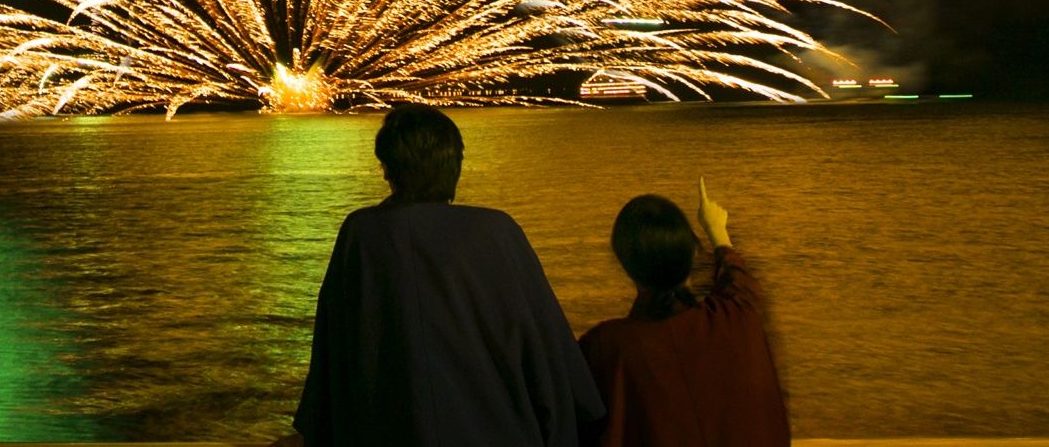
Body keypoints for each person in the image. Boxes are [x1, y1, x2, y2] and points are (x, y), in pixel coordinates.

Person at [273, 103, 604, 447]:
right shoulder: (496, 232)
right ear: (455, 165)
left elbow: (333, 360)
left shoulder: (361, 235)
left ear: (386, 169)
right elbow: (549, 350)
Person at [576, 180, 790, 447]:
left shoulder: (606, 347)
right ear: (691, 253)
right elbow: (739, 282)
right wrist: (717, 232)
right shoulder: (737, 316)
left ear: (625, 265)